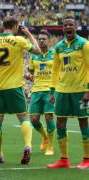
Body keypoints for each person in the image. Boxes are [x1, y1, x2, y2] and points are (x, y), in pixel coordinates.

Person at [0, 16, 41, 164]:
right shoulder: (19, 40)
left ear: (3, 26)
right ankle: (28, 146)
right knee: (23, 117)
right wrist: (28, 34)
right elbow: (38, 50)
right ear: (15, 26)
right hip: (15, 86)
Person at [47, 16, 89, 169]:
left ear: (76, 27)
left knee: (83, 121)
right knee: (59, 123)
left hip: (80, 91)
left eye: (71, 24)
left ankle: (87, 159)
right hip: (62, 91)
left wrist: (87, 90)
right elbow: (55, 70)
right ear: (62, 28)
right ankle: (64, 160)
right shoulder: (58, 47)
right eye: (65, 25)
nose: (68, 27)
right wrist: (52, 91)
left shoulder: (84, 44)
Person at [26, 30, 55, 155]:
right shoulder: (33, 55)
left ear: (49, 40)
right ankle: (45, 137)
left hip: (50, 89)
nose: (41, 40)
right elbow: (31, 73)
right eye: (39, 39)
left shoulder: (55, 54)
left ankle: (50, 146)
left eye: (44, 39)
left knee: (49, 116)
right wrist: (28, 76)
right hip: (36, 90)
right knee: (34, 119)